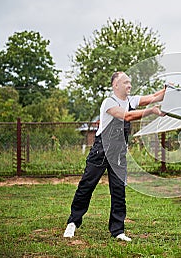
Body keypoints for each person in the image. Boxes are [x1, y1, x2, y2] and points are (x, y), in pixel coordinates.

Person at [63, 71, 166, 241]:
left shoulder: (131, 100)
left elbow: (154, 97)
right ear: (115, 85)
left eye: (130, 82)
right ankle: (73, 222)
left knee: (118, 190)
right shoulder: (109, 102)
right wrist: (151, 111)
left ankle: (118, 231)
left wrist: (167, 91)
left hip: (119, 153)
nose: (129, 85)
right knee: (87, 186)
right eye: (125, 82)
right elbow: (127, 116)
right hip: (101, 150)